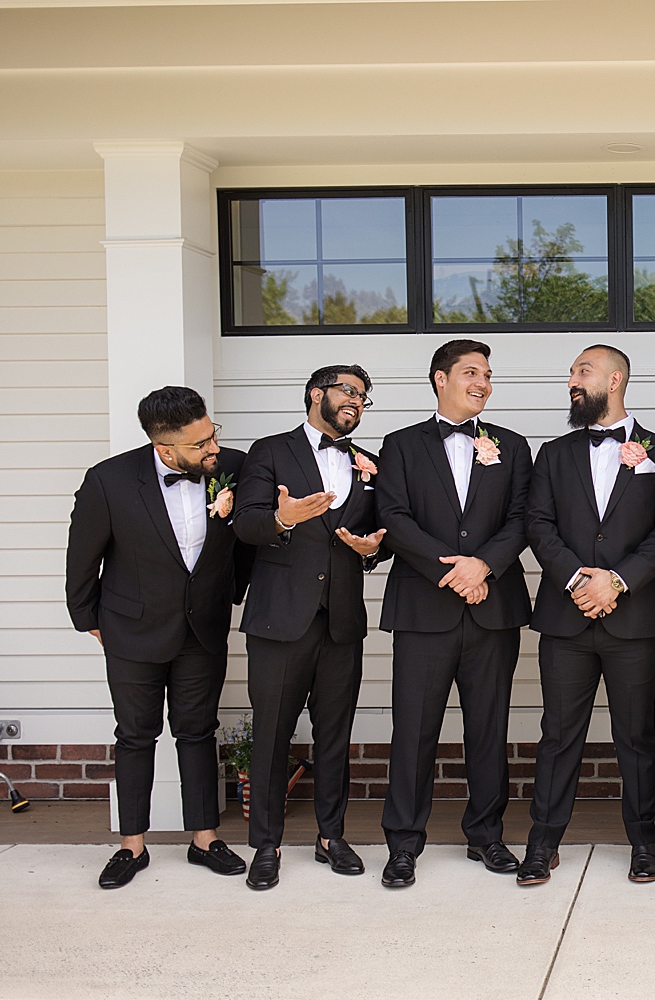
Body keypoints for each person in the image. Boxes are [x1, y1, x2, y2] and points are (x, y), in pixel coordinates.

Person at [65, 386, 253, 889]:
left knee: (197, 731)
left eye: (213, 434)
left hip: (203, 627)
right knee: (134, 736)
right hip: (130, 630)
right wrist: (89, 619)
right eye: (200, 444)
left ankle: (205, 838)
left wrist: (234, 594)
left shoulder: (231, 464)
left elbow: (247, 541)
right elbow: (83, 556)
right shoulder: (109, 480)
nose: (213, 449)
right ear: (165, 450)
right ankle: (131, 846)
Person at [520, 345, 655, 886]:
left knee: (635, 734)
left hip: (636, 618)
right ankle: (543, 842)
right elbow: (538, 525)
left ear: (615, 380)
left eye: (581, 371)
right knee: (558, 733)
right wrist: (578, 580)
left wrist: (616, 580)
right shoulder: (553, 453)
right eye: (571, 372)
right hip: (565, 619)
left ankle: (644, 841)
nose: (572, 380)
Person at [374, 340, 533, 889]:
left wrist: (482, 566)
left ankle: (487, 835)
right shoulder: (399, 444)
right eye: (471, 373)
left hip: (493, 609)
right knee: (413, 730)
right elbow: (394, 517)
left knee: (488, 728)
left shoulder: (511, 446)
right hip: (423, 609)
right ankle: (402, 844)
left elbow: (522, 519)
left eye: (488, 374)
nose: (483, 383)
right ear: (440, 378)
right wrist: (453, 571)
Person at [232, 365, 389, 890]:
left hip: (341, 621)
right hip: (281, 621)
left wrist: (374, 551)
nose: (357, 403)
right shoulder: (269, 451)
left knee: (335, 735)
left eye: (364, 397)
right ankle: (266, 845)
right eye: (349, 392)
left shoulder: (369, 462)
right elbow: (246, 525)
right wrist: (284, 518)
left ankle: (330, 837)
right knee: (273, 733)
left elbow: (374, 533)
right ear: (315, 394)